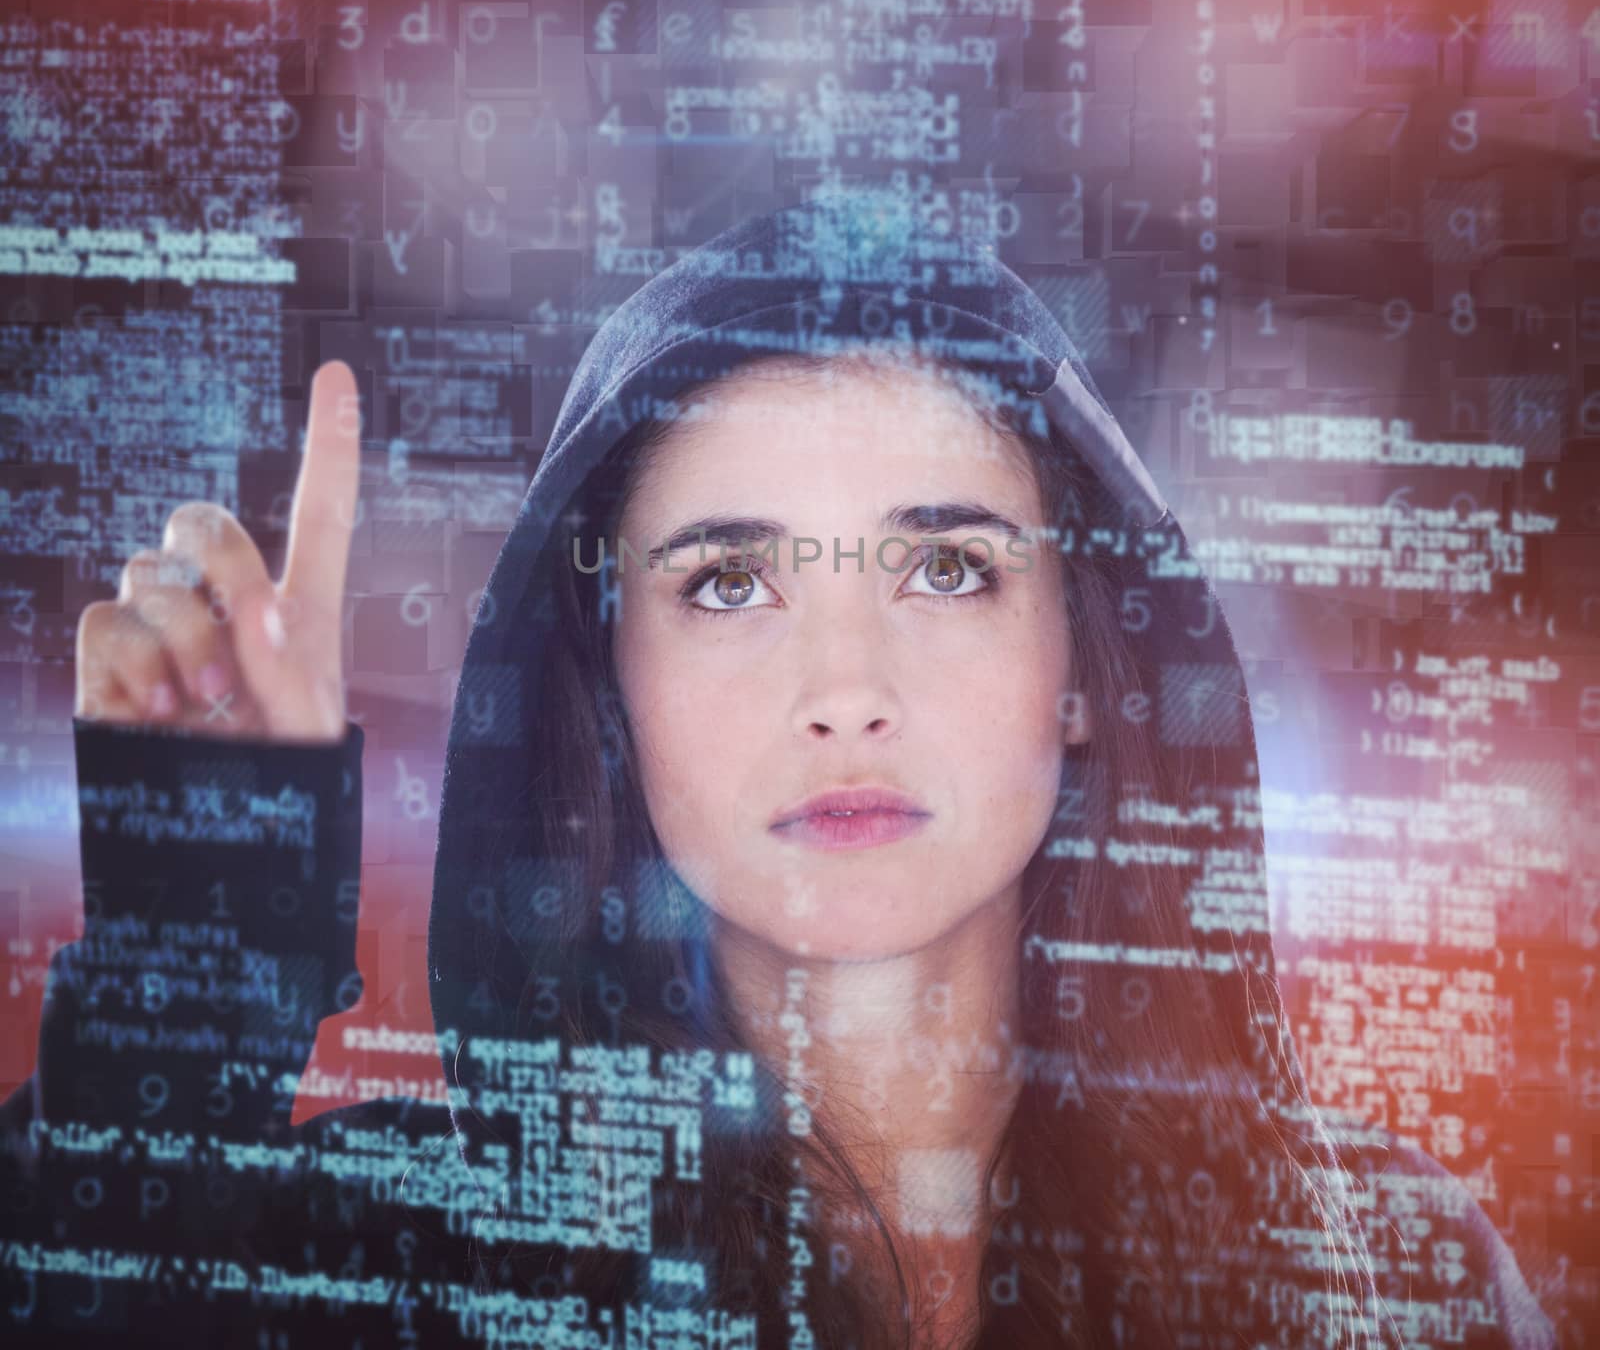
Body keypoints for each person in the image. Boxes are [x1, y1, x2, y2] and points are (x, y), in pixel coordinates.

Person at [0, 202, 1558, 1350]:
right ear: (603, 690)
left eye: (945, 569)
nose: (848, 696)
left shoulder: (1388, 1278)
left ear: (1085, 668)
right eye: (729, 585)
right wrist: (187, 982)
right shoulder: (401, 1262)